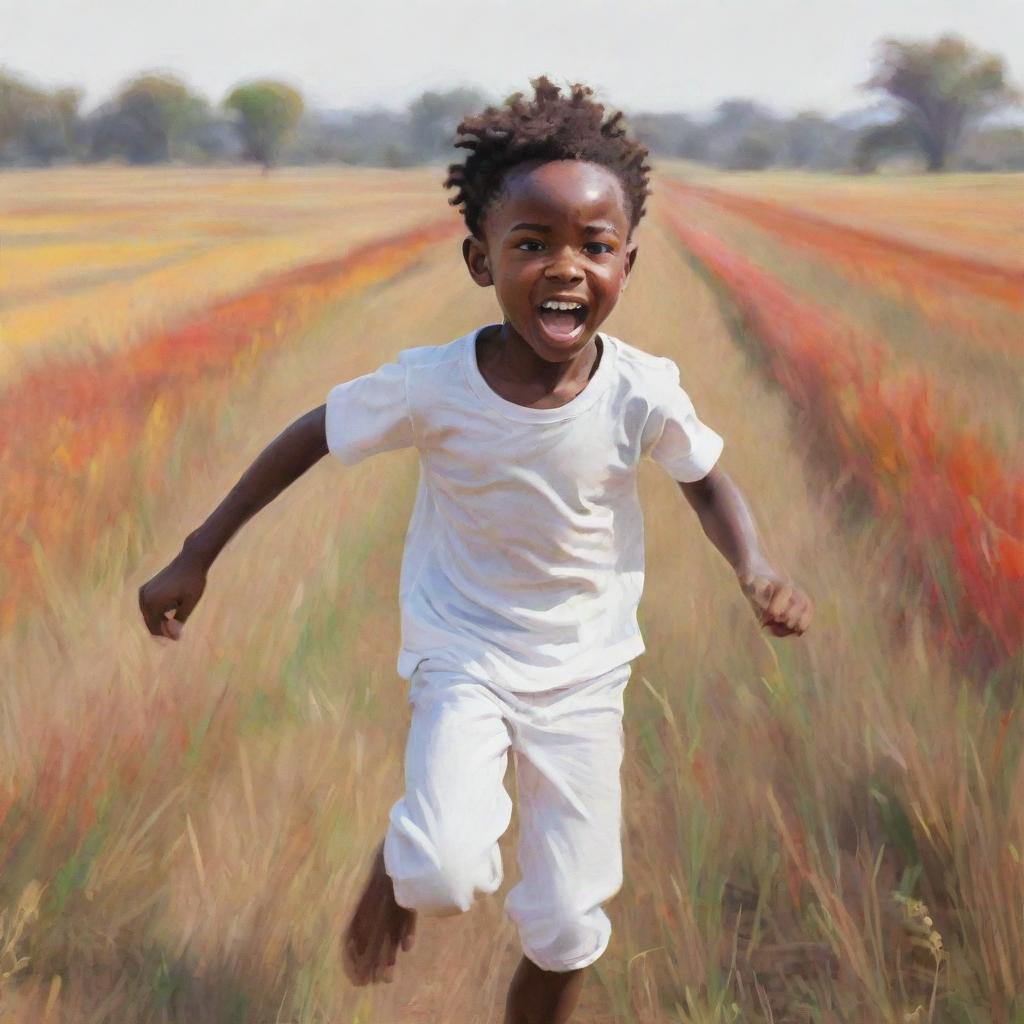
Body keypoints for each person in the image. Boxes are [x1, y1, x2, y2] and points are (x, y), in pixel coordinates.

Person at [138, 77, 813, 1024]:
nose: (565, 267)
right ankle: (405, 858)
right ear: (478, 258)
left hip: (588, 675)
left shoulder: (642, 391)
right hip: (465, 655)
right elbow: (313, 433)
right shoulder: (434, 385)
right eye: (531, 244)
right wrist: (196, 553)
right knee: (446, 869)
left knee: (571, 921)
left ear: (629, 262)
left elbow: (705, 480)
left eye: (594, 245)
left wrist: (758, 569)